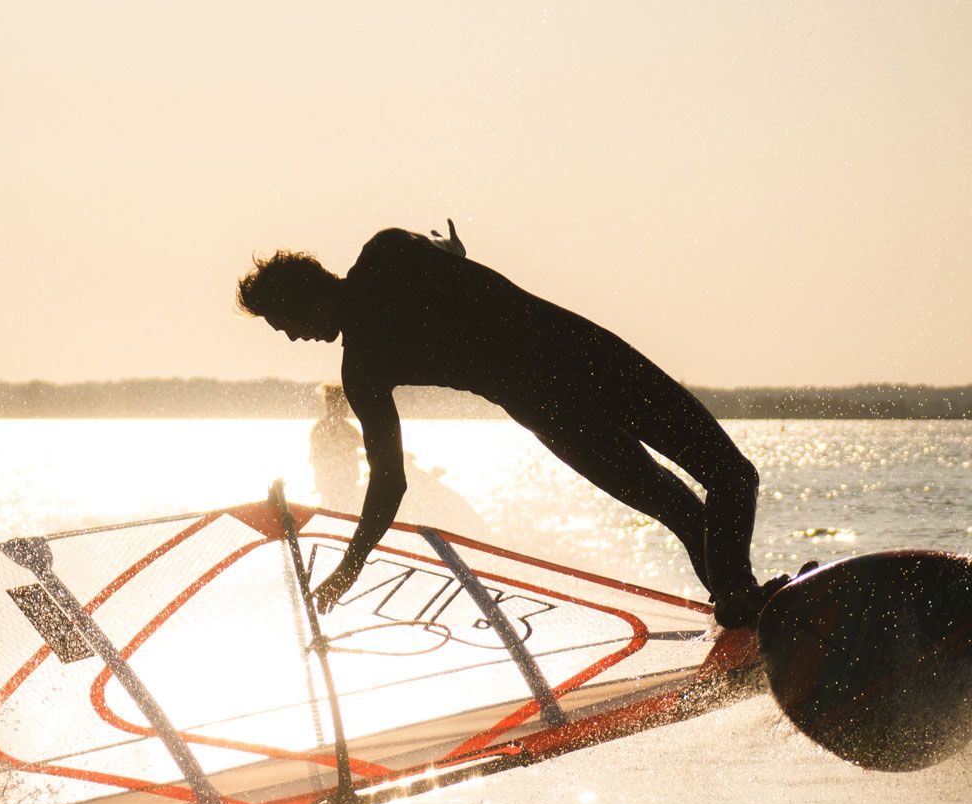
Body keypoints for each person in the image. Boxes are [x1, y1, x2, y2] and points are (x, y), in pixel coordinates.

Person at [237, 220, 786, 628]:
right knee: (725, 481)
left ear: (308, 294)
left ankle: (740, 604)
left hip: (568, 387)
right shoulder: (384, 262)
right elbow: (389, 481)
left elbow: (388, 483)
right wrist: (449, 255)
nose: (289, 336)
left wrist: (350, 566)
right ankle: (744, 606)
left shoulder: (364, 361)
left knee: (699, 504)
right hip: (578, 371)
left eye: (285, 321)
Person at [310, 384, 363, 512]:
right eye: (345, 404)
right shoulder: (324, 428)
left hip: (344, 485)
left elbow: (366, 446)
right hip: (334, 487)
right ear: (333, 405)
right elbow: (323, 457)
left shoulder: (346, 427)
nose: (348, 408)